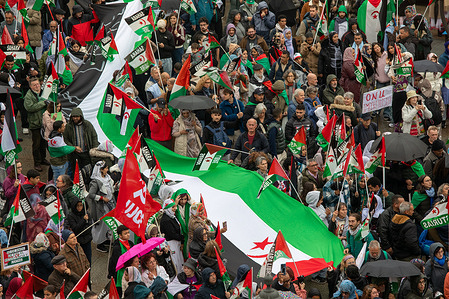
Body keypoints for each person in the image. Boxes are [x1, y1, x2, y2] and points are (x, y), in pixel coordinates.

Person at [88, 160, 116, 252]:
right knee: (101, 226)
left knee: (108, 224)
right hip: (101, 208)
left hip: (110, 205)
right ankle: (99, 244)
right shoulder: (96, 182)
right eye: (106, 168)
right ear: (101, 170)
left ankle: (106, 239)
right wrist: (102, 198)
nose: (108, 170)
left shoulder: (108, 178)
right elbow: (91, 194)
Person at [24, 77, 49, 172]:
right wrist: (43, 103)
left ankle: (43, 159)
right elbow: (29, 108)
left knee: (44, 143)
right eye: (34, 85)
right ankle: (37, 163)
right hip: (35, 124)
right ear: (30, 86)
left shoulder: (43, 92)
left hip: (44, 123)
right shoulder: (29, 96)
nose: (37, 86)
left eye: (38, 84)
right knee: (36, 145)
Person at [63, 107, 99, 172]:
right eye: (73, 117)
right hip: (74, 154)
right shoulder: (69, 126)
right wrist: (73, 147)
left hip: (86, 153)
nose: (75, 118)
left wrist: (94, 149)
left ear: (81, 116)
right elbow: (65, 139)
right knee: (75, 171)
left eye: (77, 116)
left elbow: (94, 136)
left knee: (87, 170)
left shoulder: (88, 125)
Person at [109, 225, 134, 297]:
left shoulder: (130, 243)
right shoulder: (117, 247)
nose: (128, 235)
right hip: (121, 273)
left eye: (128, 232)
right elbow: (116, 262)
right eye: (125, 233)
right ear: (120, 235)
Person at [160, 199, 184, 273]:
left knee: (180, 261)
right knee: (176, 262)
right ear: (168, 208)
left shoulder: (172, 216)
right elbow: (172, 234)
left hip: (177, 243)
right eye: (173, 207)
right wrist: (182, 238)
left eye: (175, 207)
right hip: (172, 243)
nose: (175, 209)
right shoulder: (166, 220)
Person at [66, 198, 93, 265]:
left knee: (88, 260)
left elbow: (89, 228)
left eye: (81, 205)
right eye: (77, 205)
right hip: (78, 242)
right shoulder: (71, 216)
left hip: (87, 240)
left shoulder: (87, 214)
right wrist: (83, 220)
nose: (79, 207)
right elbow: (75, 228)